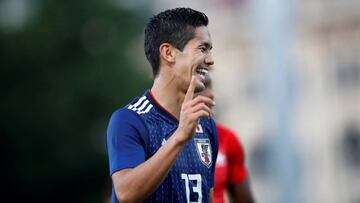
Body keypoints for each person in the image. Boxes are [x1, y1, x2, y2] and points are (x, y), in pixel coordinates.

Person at [106, 8, 217, 203]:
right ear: (169, 53)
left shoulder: (206, 124)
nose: (210, 60)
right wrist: (180, 136)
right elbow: (126, 193)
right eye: (202, 48)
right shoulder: (130, 120)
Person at [197, 76, 255, 203]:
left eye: (209, 85)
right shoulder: (163, 138)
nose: (211, 94)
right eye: (200, 87)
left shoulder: (226, 138)